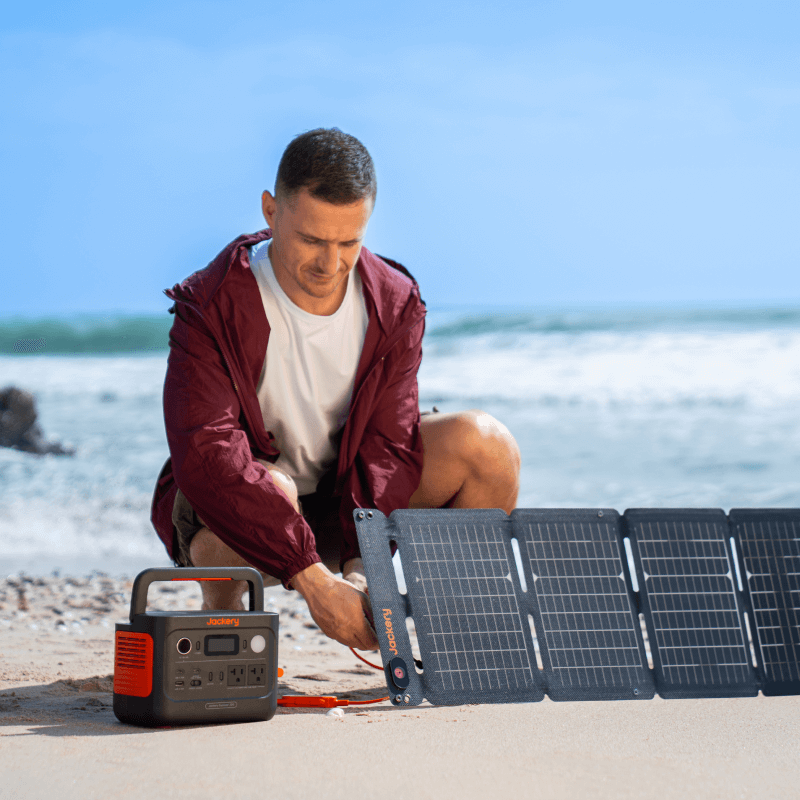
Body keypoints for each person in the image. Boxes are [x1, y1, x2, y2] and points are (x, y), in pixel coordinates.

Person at [150, 128, 520, 651]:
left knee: (487, 446)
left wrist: (360, 566)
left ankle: (451, 646)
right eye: (312, 240)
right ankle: (223, 619)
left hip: (342, 503)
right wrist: (312, 578)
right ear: (270, 212)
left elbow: (388, 444)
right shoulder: (210, 303)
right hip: (235, 512)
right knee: (271, 486)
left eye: (350, 242)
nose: (331, 264)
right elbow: (207, 453)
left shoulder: (395, 302)